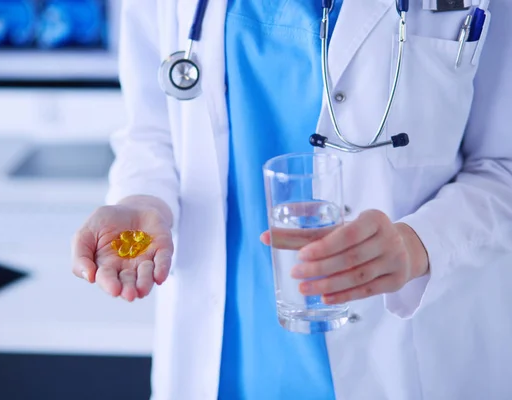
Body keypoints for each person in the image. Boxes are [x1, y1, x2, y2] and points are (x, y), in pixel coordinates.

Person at [71, 1, 512, 399]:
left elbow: (503, 164)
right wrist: (143, 198)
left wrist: (421, 243)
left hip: (402, 359)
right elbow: (151, 130)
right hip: (228, 361)